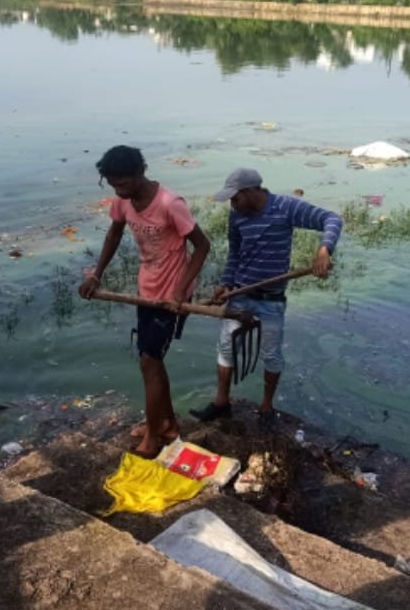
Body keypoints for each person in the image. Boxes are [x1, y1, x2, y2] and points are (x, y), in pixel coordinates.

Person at [78, 145, 210, 459]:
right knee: (149, 362)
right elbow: (114, 234)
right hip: (146, 290)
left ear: (140, 172)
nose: (118, 190)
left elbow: (203, 246)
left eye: (123, 183)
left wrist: (179, 290)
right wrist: (96, 274)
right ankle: (167, 424)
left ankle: (153, 436)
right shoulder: (123, 202)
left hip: (172, 296)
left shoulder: (170, 203)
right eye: (112, 184)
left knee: (150, 362)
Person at [190, 168, 342, 430]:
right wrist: (226, 283)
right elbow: (235, 254)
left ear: (250, 192)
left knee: (271, 354)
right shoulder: (237, 215)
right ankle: (221, 402)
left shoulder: (285, 207)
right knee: (226, 349)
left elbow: (332, 219)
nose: (232, 204)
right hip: (239, 294)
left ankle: (266, 406)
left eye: (235, 198)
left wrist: (324, 249)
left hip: (271, 300)